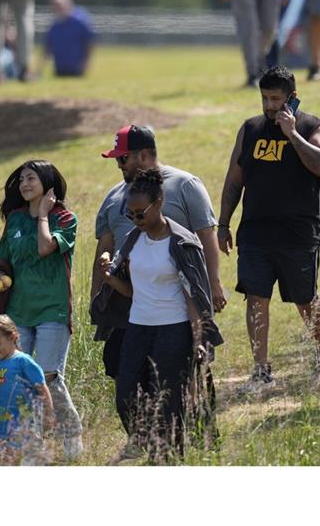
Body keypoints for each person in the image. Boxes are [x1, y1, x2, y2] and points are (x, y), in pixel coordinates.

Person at [218, 65, 320, 391]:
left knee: (304, 299)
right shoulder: (250, 129)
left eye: (276, 99)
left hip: (298, 233)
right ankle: (261, 370)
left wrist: (293, 135)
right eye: (265, 98)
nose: (270, 106)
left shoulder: (312, 125)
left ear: (292, 98)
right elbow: (234, 180)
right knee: (256, 298)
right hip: (255, 231)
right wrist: (224, 223)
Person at [97, 168, 223, 463]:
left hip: (173, 329)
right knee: (125, 392)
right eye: (130, 214)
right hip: (138, 327)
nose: (135, 219)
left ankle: (168, 459)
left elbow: (193, 294)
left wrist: (198, 337)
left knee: (169, 402)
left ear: (159, 203)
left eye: (140, 213)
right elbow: (132, 291)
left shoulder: (181, 242)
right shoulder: (131, 239)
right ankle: (144, 440)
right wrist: (109, 278)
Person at [94, 125, 223, 382]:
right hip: (128, 298)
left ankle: (192, 416)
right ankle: (147, 420)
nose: (119, 165)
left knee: (182, 370)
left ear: (143, 155)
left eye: (123, 158)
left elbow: (207, 237)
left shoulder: (184, 184)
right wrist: (96, 299)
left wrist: (214, 285)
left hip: (175, 297)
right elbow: (104, 248)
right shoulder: (113, 197)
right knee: (123, 371)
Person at [0, 159, 83, 461]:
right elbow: (2, 259)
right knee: (21, 379)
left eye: (31, 178)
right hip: (19, 312)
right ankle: (32, 448)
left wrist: (43, 214)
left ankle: (70, 430)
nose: (24, 184)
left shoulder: (66, 218)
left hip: (52, 311)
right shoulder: (15, 219)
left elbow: (46, 248)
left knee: (47, 375)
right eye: (21, 179)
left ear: (47, 183)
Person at [0, 315, 55, 465]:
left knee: (26, 461)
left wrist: (49, 413)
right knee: (5, 461)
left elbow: (41, 387)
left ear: (12, 337)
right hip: (1, 425)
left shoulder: (23, 361)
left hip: (24, 425)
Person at [43, 0, 95, 77]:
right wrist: (40, 69)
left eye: (59, 5)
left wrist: (86, 63)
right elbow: (47, 48)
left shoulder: (80, 22)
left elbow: (90, 43)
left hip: (76, 69)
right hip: (59, 69)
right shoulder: (54, 25)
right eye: (54, 5)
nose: (56, 8)